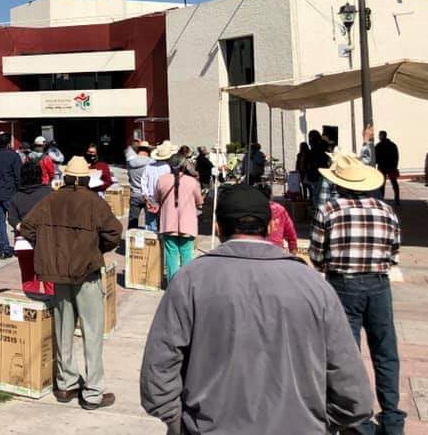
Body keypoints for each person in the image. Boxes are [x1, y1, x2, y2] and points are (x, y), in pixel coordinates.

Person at [140, 184, 373, 434]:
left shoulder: (189, 280)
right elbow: (353, 393)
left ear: (218, 229)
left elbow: (158, 371)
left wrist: (178, 423)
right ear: (271, 227)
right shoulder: (314, 285)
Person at [308, 153, 406, 434]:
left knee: (347, 354)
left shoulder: (329, 209)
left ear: (338, 184)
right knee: (385, 351)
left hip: (343, 285)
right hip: (378, 284)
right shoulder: (386, 210)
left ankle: (358, 418)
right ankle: (392, 417)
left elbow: (316, 254)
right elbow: (394, 254)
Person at [21, 156, 121, 410]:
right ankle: (93, 392)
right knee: (92, 332)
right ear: (86, 178)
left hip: (57, 275)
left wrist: (47, 248)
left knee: (63, 330)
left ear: (65, 177)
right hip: (86, 273)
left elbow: (27, 228)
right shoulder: (93, 202)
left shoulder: (50, 200)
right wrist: (96, 248)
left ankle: (65, 384)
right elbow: (114, 232)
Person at [155, 153, 204, 284]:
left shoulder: (161, 180)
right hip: (187, 224)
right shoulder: (192, 182)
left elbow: (157, 199)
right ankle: (187, 283)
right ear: (184, 166)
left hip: (168, 223)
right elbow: (200, 201)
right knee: (187, 254)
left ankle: (173, 284)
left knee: (171, 255)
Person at [7, 161, 54, 295]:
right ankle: (51, 309)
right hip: (47, 241)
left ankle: (32, 308)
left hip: (24, 242)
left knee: (28, 277)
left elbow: (11, 218)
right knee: (49, 278)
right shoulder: (50, 193)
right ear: (40, 175)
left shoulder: (16, 196)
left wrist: (21, 227)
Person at [143, 141, 177, 232]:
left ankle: (152, 240)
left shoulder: (148, 166)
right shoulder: (167, 168)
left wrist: (145, 194)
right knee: (164, 221)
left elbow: (143, 181)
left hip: (151, 196)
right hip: (163, 197)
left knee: (151, 222)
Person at [258, 183, 298, 254]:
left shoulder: (251, 211)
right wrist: (293, 249)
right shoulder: (280, 210)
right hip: (277, 252)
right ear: (271, 195)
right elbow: (291, 232)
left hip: (256, 252)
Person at [125, 140, 153, 229]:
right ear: (148, 151)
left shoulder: (130, 162)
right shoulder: (151, 162)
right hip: (148, 195)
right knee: (150, 222)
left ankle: (132, 241)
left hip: (134, 194)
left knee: (133, 221)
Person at [375, 131, 401, 205]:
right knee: (394, 183)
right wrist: (395, 165)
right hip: (391, 167)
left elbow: (375, 157)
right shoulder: (393, 145)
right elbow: (396, 156)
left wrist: (376, 163)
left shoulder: (378, 145)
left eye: (379, 135)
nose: (379, 137)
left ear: (382, 136)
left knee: (382, 184)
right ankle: (397, 199)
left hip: (382, 167)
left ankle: (381, 199)